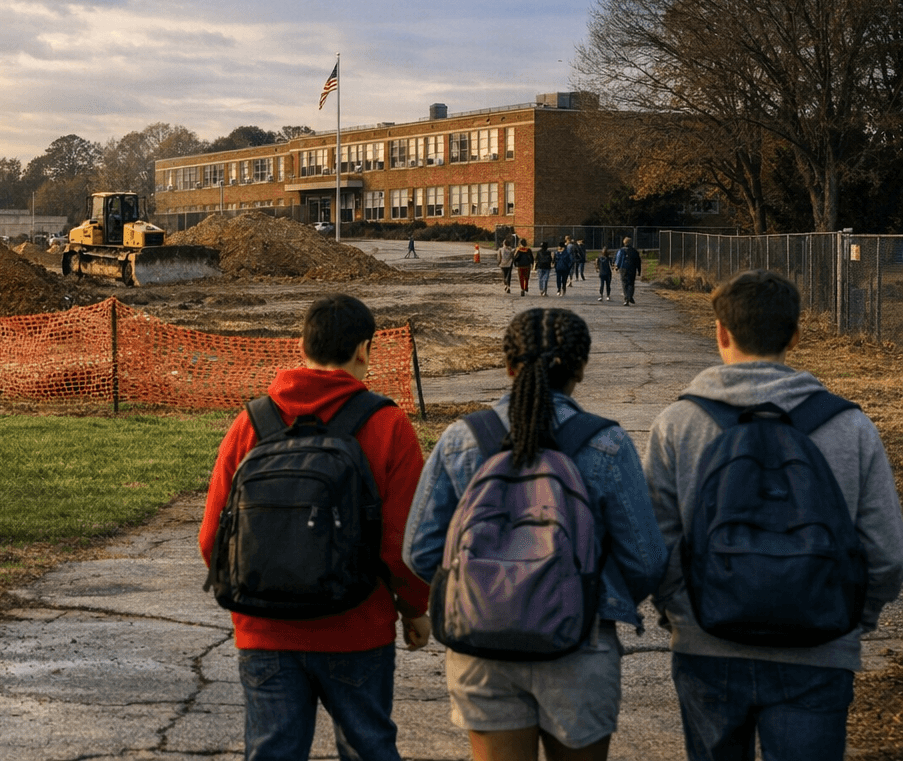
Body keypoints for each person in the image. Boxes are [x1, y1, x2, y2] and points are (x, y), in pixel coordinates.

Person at [646, 270, 903, 761]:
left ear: (721, 333)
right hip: (820, 646)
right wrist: (850, 621)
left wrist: (683, 614)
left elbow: (654, 543)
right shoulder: (849, 425)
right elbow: (886, 553)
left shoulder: (679, 423)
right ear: (796, 335)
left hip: (708, 646)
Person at [404, 308, 667, 761]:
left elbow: (420, 550)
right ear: (581, 368)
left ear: (509, 366)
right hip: (579, 646)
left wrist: (481, 593)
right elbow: (645, 560)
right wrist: (593, 596)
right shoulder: (606, 444)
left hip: (482, 648)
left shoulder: (461, 439)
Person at [200, 294, 432, 761]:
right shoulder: (388, 424)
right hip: (357, 628)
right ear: (364, 349)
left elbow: (213, 539)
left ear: (301, 346)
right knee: (368, 747)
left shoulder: (252, 422)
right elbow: (402, 545)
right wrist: (413, 609)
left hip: (264, 633)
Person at [613, 238, 641, 305]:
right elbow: (638, 261)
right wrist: (639, 270)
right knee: (631, 283)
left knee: (624, 283)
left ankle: (626, 298)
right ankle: (630, 296)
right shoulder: (634, 251)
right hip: (632, 268)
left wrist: (617, 266)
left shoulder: (621, 250)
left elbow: (618, 258)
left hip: (623, 268)